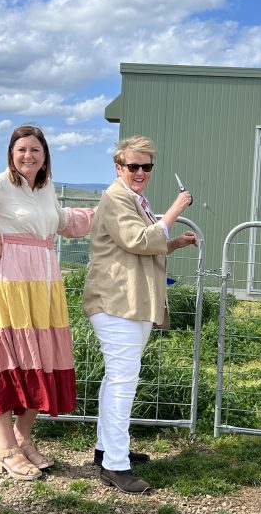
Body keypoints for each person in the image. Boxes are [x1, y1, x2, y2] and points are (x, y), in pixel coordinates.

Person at [0, 126, 93, 481]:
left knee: (45, 358)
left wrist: (106, 211)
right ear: (11, 153)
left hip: (44, 284)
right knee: (10, 359)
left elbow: (64, 222)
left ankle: (23, 439)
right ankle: (5, 447)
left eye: (35, 150)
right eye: (21, 149)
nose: (28, 156)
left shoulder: (45, 189)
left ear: (45, 156)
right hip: (8, 282)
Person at [83, 136, 196, 494]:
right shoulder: (116, 198)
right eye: (133, 166)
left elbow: (142, 243)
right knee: (123, 383)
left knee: (116, 380)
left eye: (147, 167)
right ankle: (116, 466)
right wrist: (175, 210)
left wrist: (173, 242)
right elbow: (137, 241)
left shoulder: (131, 199)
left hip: (127, 303)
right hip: (118, 304)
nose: (141, 173)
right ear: (119, 167)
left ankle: (107, 451)